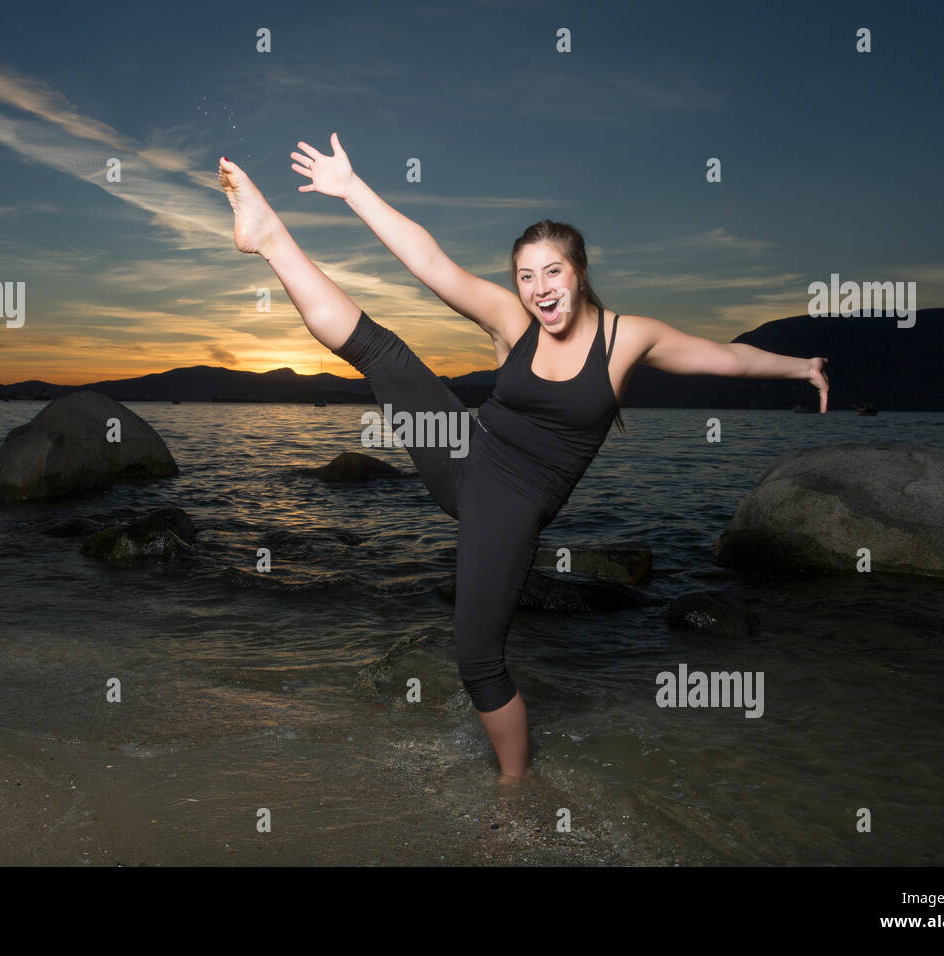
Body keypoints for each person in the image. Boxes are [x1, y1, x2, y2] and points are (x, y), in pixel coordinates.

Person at [218, 140, 829, 782]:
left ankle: (516, 788)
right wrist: (352, 188)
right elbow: (430, 262)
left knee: (477, 659)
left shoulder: (628, 340)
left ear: (580, 271)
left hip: (509, 508)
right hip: (464, 453)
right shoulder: (515, 321)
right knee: (381, 351)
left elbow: (726, 357)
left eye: (552, 273)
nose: (539, 290)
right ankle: (269, 237)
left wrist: (801, 367)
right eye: (526, 276)